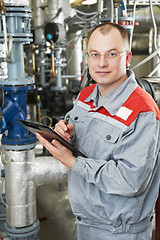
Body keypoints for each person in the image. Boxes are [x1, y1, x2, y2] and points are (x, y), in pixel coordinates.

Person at [36, 22, 160, 240]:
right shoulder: (86, 94)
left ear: (127, 58)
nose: (101, 63)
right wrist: (66, 135)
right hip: (85, 223)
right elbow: (82, 140)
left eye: (111, 54)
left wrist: (72, 161)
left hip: (120, 233)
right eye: (95, 54)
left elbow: (130, 180)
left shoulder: (142, 111)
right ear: (87, 56)